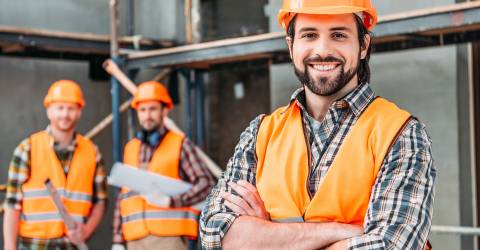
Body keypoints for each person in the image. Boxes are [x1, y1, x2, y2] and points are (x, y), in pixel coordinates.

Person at [200, 0, 436, 249]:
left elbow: (392, 245)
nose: (323, 49)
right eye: (309, 35)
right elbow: (215, 236)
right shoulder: (260, 135)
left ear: (364, 45)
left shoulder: (400, 134)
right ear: (291, 46)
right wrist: (340, 232)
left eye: (338, 35)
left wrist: (267, 235)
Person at [3, 80, 108, 250]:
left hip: (72, 246)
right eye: (60, 108)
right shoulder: (27, 149)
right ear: (49, 111)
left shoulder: (92, 152)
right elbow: (12, 205)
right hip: (34, 246)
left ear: (79, 112)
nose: (65, 114)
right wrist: (9, 247)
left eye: (71, 108)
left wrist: (85, 231)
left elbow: (101, 201)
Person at [112, 81, 216, 250]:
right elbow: (123, 197)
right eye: (142, 110)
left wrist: (171, 201)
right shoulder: (130, 148)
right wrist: (118, 240)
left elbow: (207, 184)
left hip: (169, 240)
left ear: (165, 110)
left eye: (152, 109)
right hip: (134, 240)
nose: (147, 116)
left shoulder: (180, 144)